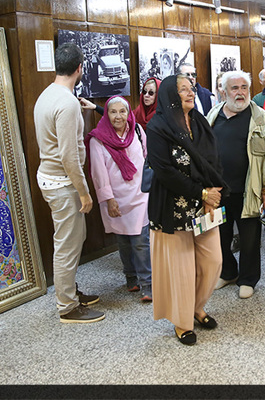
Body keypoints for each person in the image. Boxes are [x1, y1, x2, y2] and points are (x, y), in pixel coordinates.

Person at [147, 74, 227, 345]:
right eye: (182, 90)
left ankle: (196, 306)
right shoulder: (157, 127)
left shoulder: (200, 122)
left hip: (205, 205)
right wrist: (201, 192)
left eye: (190, 89)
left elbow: (214, 160)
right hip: (173, 208)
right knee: (181, 270)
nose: (190, 93)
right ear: (170, 95)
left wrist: (212, 193)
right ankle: (183, 322)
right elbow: (165, 171)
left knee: (213, 261)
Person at [34, 43, 104, 324]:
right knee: (67, 245)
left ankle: (70, 291)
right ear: (79, 68)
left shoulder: (48, 95)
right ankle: (67, 306)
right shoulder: (66, 102)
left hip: (53, 179)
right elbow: (69, 156)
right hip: (63, 183)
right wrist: (84, 192)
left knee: (74, 239)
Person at [206, 70, 265, 299]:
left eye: (244, 88)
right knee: (219, 236)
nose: (240, 93)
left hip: (249, 190)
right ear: (224, 91)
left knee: (249, 239)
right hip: (218, 191)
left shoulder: (261, 118)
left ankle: (248, 279)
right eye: (235, 88)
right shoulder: (213, 114)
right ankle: (228, 272)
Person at [87, 96, 152, 302]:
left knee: (141, 240)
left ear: (128, 113)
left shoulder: (138, 131)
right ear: (106, 114)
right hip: (117, 198)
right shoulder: (98, 139)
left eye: (122, 111)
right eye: (113, 112)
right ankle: (130, 277)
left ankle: (147, 283)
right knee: (124, 241)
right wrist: (109, 199)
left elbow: (146, 158)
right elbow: (98, 173)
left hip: (140, 194)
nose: (118, 116)